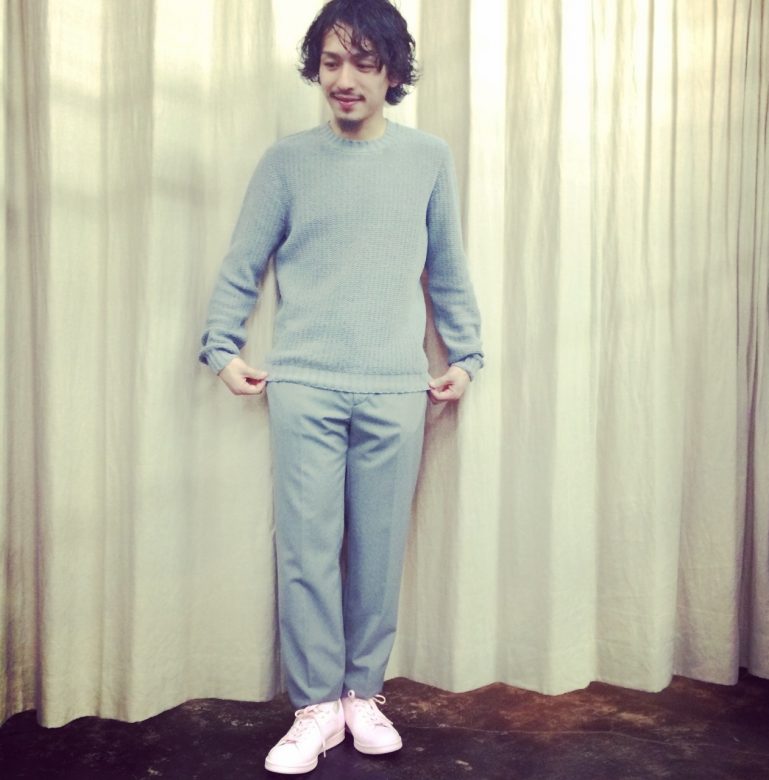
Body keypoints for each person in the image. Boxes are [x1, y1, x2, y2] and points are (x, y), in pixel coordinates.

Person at [199, 0, 483, 773]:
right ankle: (316, 708)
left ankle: (363, 694)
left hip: (397, 387)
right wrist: (220, 349)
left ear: (392, 71)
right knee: (307, 550)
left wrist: (466, 357)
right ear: (315, 69)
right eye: (331, 62)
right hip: (304, 384)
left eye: (363, 61)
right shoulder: (287, 162)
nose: (344, 78)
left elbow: (448, 270)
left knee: (379, 552)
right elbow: (242, 263)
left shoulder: (428, 159)